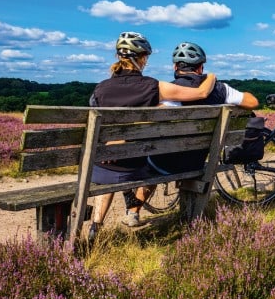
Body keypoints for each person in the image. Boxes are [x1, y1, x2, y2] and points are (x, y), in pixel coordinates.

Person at [87, 32, 218, 240]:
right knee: (153, 158)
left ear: (118, 57)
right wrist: (211, 76)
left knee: (108, 165)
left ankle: (96, 226)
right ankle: (133, 209)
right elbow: (201, 94)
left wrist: (114, 141)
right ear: (143, 59)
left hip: (102, 168)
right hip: (139, 167)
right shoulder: (153, 86)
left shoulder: (100, 90)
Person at [148, 41, 259, 175]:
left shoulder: (169, 92)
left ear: (174, 67)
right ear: (200, 68)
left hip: (164, 163)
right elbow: (252, 102)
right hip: (197, 162)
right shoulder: (220, 89)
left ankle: (135, 197)